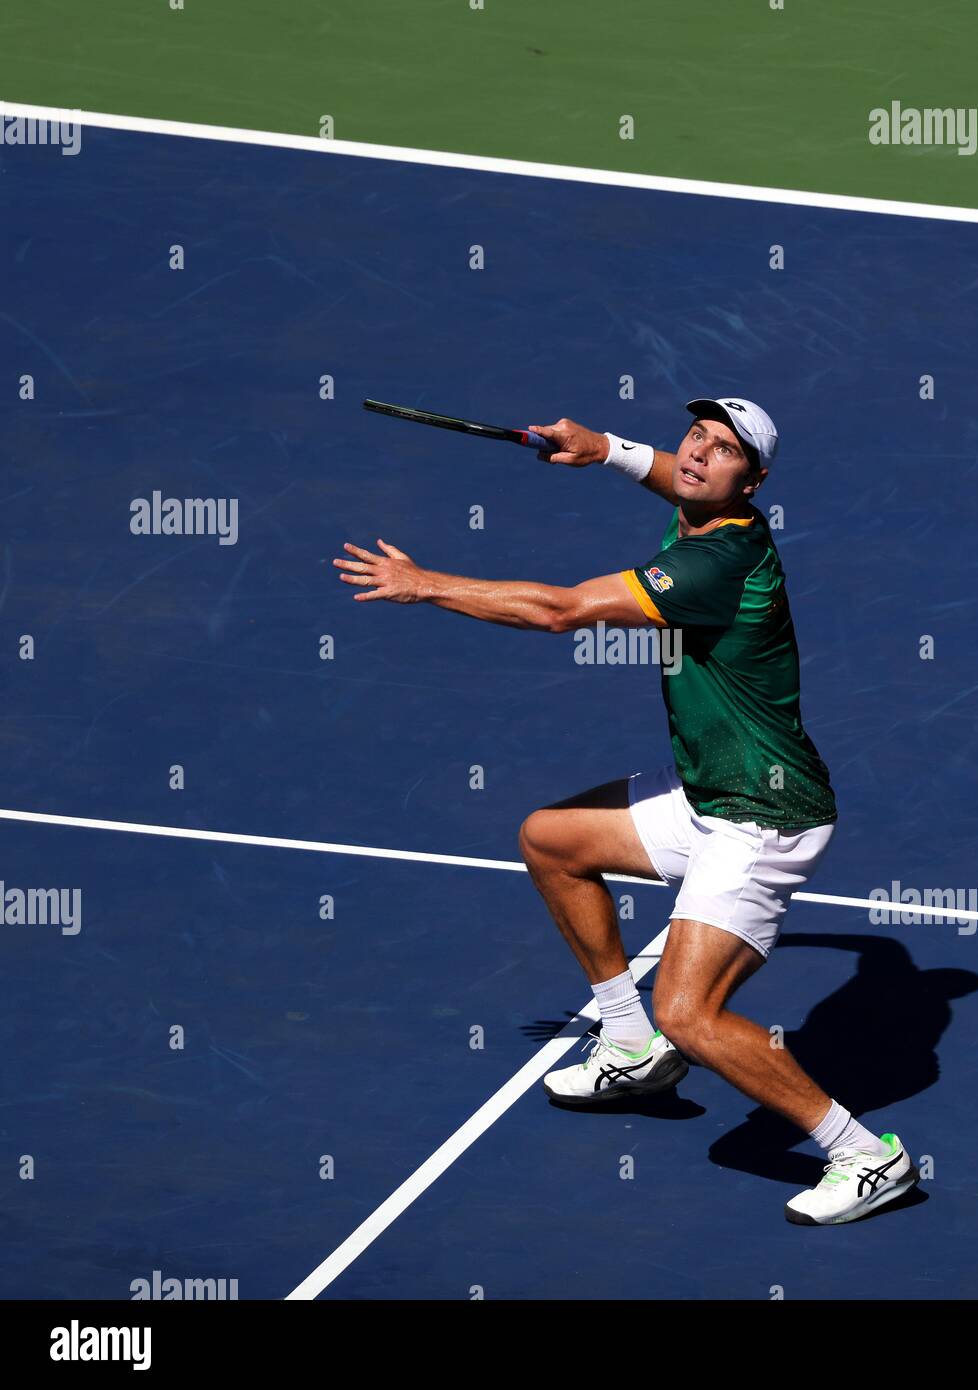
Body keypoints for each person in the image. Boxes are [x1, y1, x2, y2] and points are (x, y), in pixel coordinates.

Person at [334, 396, 918, 1225]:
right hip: (712, 794)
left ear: (751, 481)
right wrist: (603, 447)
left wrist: (424, 585)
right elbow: (672, 477)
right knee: (552, 840)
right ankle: (627, 1043)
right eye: (695, 438)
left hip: (761, 814)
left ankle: (864, 1155)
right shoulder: (710, 514)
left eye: (722, 452)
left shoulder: (717, 563)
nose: (696, 456)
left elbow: (560, 611)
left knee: (691, 1013)